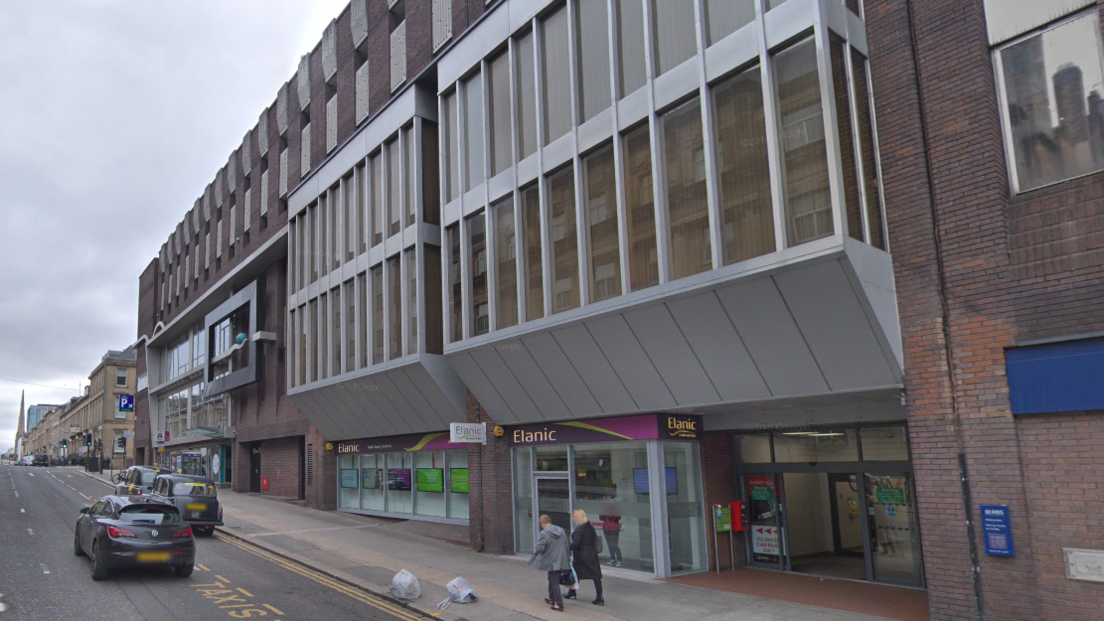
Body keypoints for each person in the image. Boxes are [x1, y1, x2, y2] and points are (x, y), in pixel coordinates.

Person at [528, 514, 570, 612]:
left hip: (551, 560)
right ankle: (551, 597)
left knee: (554, 581)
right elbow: (566, 544)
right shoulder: (561, 530)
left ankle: (559, 604)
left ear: (542, 523)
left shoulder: (544, 533)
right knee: (551, 578)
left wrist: (536, 545)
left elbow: (541, 548)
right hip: (560, 559)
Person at [564, 509, 604, 606]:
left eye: (574, 517)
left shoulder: (579, 530)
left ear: (578, 518)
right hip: (591, 554)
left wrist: (566, 548)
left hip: (581, 555)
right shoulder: (590, 527)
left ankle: (572, 591)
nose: (573, 518)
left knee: (575, 573)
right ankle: (599, 596)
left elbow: (576, 544)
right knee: (596, 575)